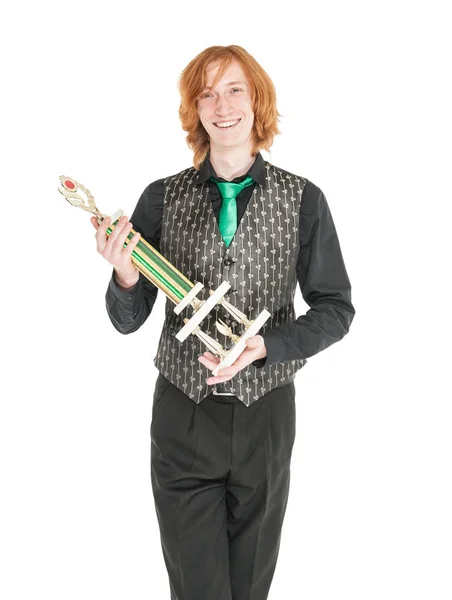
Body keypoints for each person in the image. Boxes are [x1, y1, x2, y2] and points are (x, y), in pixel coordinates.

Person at [91, 45, 355, 600]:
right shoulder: (161, 197)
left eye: (235, 88)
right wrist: (125, 278)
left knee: (249, 589)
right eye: (206, 93)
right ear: (195, 109)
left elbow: (335, 308)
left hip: (266, 418)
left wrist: (267, 345)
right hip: (183, 416)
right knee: (197, 590)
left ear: (256, 100)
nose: (222, 104)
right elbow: (126, 320)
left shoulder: (304, 199)